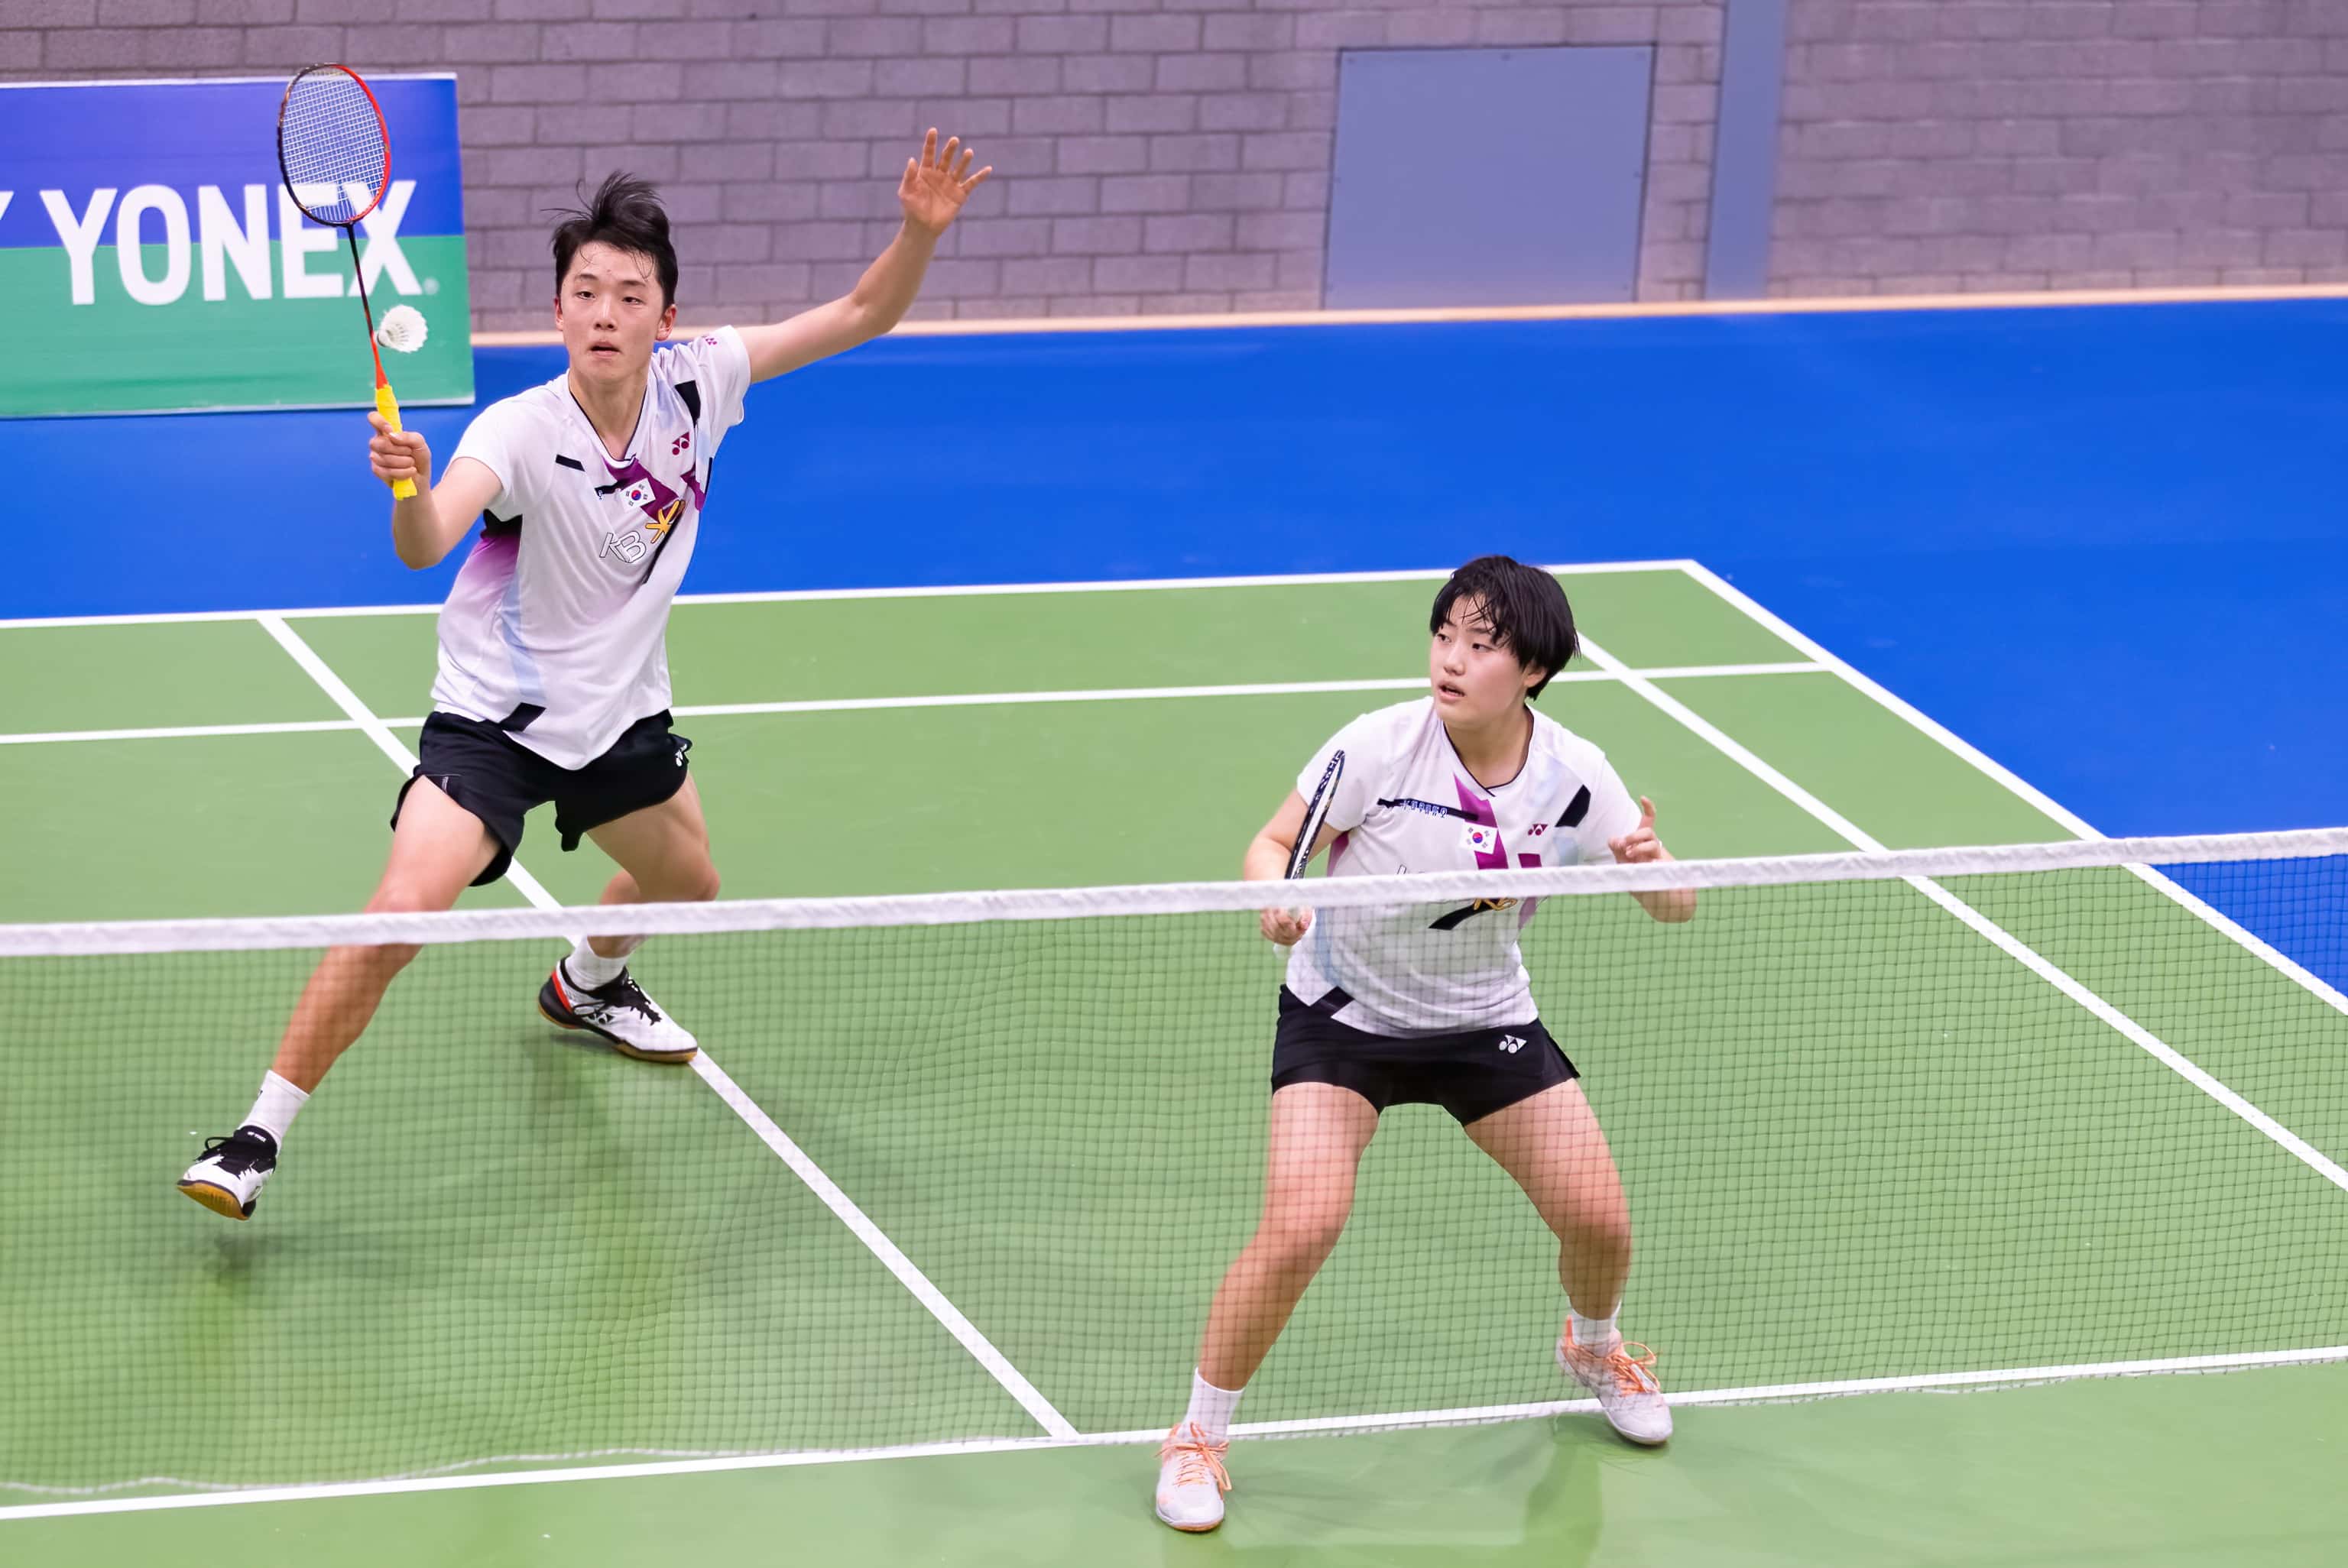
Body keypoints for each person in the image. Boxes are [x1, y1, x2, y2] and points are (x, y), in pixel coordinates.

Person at [178, 133, 993, 1220]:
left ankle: (586, 984)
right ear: (557, 312)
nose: (605, 313)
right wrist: (410, 488)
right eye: (585, 293)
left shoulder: (701, 384)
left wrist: (917, 235)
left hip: (618, 715)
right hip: (495, 726)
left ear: (666, 317)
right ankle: (255, 1137)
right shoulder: (517, 431)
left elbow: (861, 313)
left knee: (690, 885)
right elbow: (426, 546)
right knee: (401, 911)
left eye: (629, 295)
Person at [1153, 556, 1697, 1534]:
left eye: (1480, 646)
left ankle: (1593, 1346)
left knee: (1602, 1222)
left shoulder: (1573, 776)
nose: (1450, 659)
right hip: (1344, 1018)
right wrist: (1276, 896)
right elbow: (1274, 844)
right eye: (1444, 636)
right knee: (1303, 1225)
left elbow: (1677, 906)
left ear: (1533, 670)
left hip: (1484, 1021)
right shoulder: (1377, 747)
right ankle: (1197, 1435)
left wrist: (1651, 867)